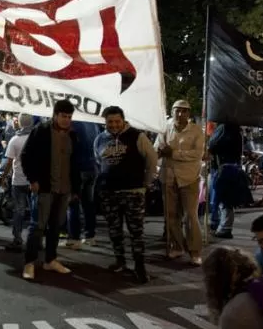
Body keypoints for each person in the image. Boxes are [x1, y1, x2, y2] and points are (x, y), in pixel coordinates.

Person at [94, 106, 157, 283]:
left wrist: (146, 183)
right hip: (109, 193)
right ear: (105, 122)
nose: (114, 125)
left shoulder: (138, 136)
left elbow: (151, 160)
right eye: (110, 122)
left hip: (133, 193)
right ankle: (120, 261)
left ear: (123, 120)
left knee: (136, 232)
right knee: (114, 230)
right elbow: (98, 162)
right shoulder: (99, 139)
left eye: (117, 121)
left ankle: (140, 267)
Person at [20, 99, 80, 280]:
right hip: (45, 187)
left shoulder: (73, 135)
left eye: (69, 117)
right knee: (37, 226)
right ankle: (29, 263)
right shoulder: (42, 131)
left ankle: (50, 260)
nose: (66, 120)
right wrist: (33, 180)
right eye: (63, 116)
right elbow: (26, 155)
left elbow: (75, 164)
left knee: (55, 227)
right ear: (55, 115)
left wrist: (75, 189)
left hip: (64, 189)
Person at [155, 100, 205, 265]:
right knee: (171, 216)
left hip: (189, 178)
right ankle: (177, 246)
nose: (180, 114)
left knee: (190, 215)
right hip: (168, 177)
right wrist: (159, 152)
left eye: (184, 111)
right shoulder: (164, 127)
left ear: (189, 114)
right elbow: (158, 147)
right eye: (177, 111)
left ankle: (195, 251)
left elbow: (197, 154)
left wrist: (174, 153)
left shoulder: (196, 131)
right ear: (172, 111)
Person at [207, 123, 249, 239]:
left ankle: (224, 228)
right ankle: (220, 225)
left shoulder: (225, 128)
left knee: (224, 200)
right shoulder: (236, 130)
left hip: (224, 169)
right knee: (224, 200)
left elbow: (213, 145)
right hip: (230, 167)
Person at [65, 120, 99, 249]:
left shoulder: (71, 124)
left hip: (77, 168)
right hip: (92, 167)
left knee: (73, 203)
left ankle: (74, 238)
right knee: (88, 203)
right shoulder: (92, 123)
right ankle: (90, 236)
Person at [3, 113, 34, 248]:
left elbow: (9, 162)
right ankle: (36, 240)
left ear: (20, 123)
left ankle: (17, 238)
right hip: (34, 181)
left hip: (19, 180)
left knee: (19, 210)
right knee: (36, 210)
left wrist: (3, 176)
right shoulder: (37, 139)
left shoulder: (15, 140)